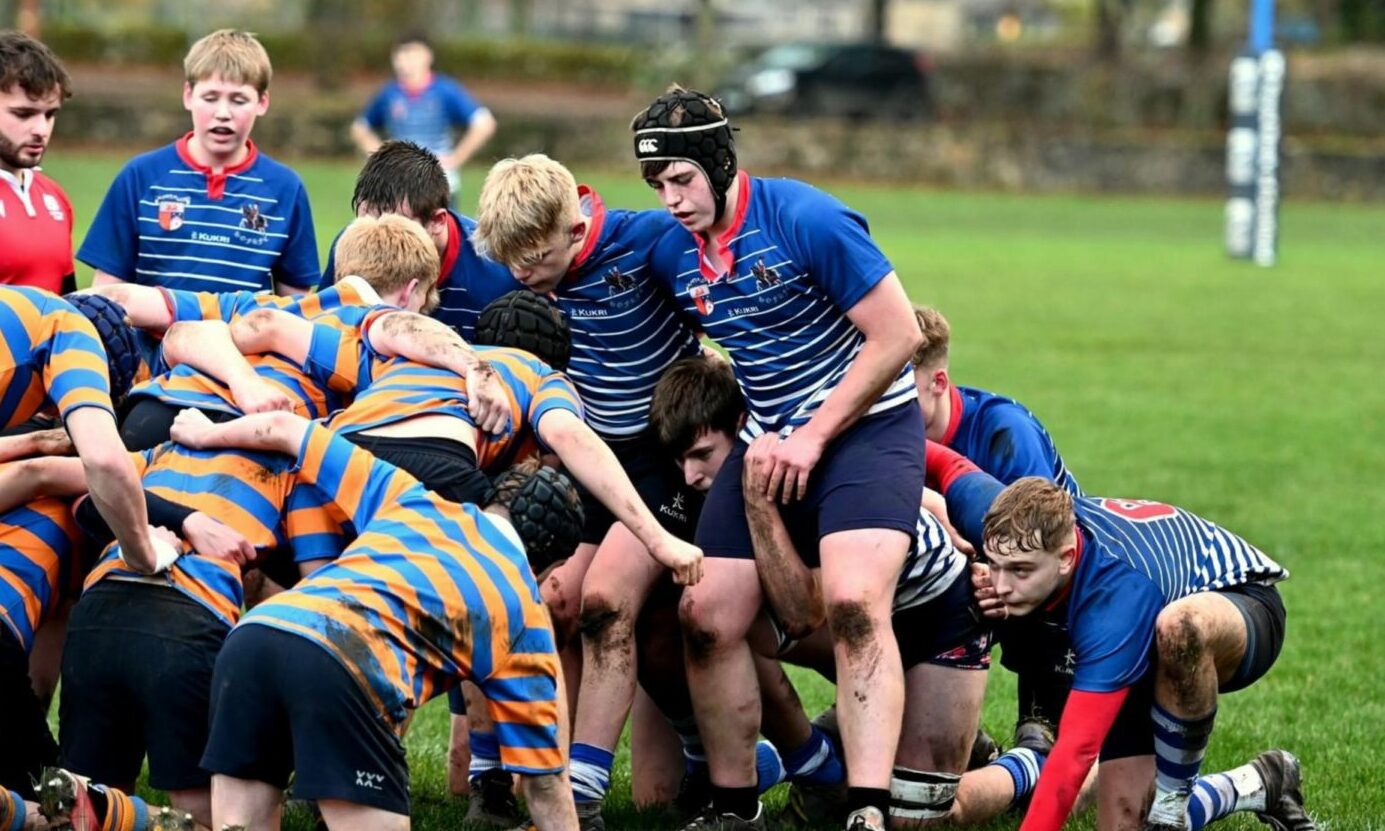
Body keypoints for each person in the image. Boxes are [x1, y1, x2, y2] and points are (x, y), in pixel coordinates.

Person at [635, 86, 925, 831]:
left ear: (721, 164)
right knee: (704, 611)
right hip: (771, 438)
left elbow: (898, 335)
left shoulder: (807, 218)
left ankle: (865, 807)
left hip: (864, 430)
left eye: (681, 180)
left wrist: (814, 433)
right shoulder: (673, 250)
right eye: (656, 185)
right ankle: (736, 806)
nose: (669, 199)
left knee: (856, 606)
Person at [169, 409, 582, 831]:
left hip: (256, 636)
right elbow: (546, 786)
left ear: (495, 501)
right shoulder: (522, 611)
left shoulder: (409, 495)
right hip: (343, 659)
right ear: (548, 567)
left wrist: (207, 432)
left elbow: (291, 430)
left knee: (239, 826)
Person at [651, 356, 990, 828]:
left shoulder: (790, 472)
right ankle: (817, 768)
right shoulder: (739, 480)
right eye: (680, 460)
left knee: (918, 819)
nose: (690, 476)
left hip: (936, 624)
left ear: (746, 429)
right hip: (856, 626)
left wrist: (757, 503)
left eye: (703, 455)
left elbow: (801, 612)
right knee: (721, 619)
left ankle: (1024, 768)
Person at [473, 153, 707, 828]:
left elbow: (721, 306)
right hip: (586, 455)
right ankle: (703, 751)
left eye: (535, 257)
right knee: (555, 600)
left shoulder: (646, 242)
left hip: (661, 460)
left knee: (607, 601)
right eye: (509, 259)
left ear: (574, 227)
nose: (520, 274)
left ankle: (583, 797)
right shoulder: (522, 257)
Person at [927, 442, 1316, 831]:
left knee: (1180, 627)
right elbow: (938, 458)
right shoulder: (1002, 522)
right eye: (994, 565)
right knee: (1124, 822)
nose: (1001, 585)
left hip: (1241, 605)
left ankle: (1172, 802)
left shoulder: (1113, 600)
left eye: (1020, 572)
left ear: (1065, 558)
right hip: (1145, 635)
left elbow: (1076, 751)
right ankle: (1259, 782)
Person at [79, 29, 318, 295]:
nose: (223, 113)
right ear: (188, 95)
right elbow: (108, 292)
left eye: (239, 100)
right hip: (154, 337)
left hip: (240, 337)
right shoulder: (140, 176)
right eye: (210, 98)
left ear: (262, 102)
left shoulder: (285, 188)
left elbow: (296, 305)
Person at [0, 286, 162, 574]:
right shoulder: (75, 333)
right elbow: (105, 461)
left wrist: (36, 442)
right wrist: (146, 553)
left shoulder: (26, 311)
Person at [316, 140, 520, 337]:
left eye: (397, 228)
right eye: (367, 221)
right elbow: (321, 329)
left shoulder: (499, 271)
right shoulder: (353, 245)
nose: (375, 239)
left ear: (437, 221)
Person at [351, 33, 497, 204]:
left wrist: (457, 157)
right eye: (401, 55)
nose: (406, 61)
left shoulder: (445, 91)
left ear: (428, 57)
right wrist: (380, 156)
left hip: (439, 186)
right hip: (399, 187)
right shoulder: (389, 94)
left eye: (413, 54)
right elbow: (359, 127)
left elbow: (485, 123)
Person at [0, 31, 76, 294]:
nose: (41, 130)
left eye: (50, 115)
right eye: (24, 114)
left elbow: (65, 308)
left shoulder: (55, 196)